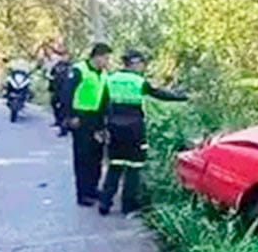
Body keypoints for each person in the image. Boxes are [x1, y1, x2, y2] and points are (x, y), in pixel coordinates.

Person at [98, 49, 187, 216]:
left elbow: (102, 104)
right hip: (134, 129)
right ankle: (128, 205)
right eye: (141, 63)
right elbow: (159, 94)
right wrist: (182, 97)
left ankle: (105, 203)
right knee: (133, 168)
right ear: (135, 63)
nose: (143, 67)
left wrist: (102, 127)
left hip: (114, 129)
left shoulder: (111, 79)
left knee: (115, 166)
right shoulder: (139, 81)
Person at [65, 43, 113, 207]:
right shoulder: (79, 70)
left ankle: (93, 189)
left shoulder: (104, 74)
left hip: (96, 119)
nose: (106, 62)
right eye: (105, 58)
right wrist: (70, 116)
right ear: (97, 56)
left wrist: (107, 121)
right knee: (83, 157)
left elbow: (106, 99)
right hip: (81, 118)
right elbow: (66, 94)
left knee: (96, 156)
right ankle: (83, 193)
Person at [47, 46, 71, 137]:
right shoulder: (57, 66)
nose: (64, 57)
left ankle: (64, 129)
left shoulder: (71, 67)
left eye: (66, 55)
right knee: (54, 104)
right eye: (62, 55)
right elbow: (51, 77)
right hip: (57, 90)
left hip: (66, 92)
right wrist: (51, 87)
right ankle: (58, 121)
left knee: (64, 110)